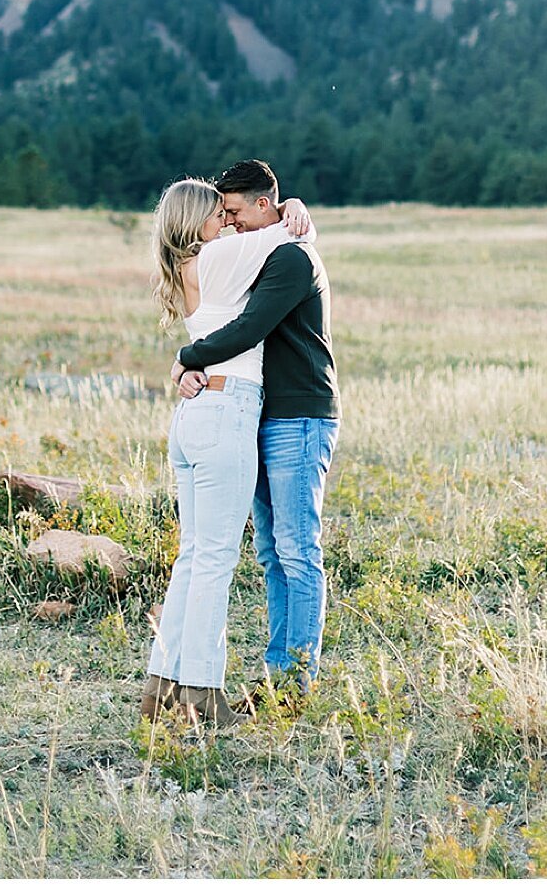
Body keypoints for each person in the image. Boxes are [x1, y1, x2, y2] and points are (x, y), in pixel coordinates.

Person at [142, 177, 316, 729]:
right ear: (200, 223)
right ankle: (202, 695)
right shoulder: (219, 257)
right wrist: (292, 204)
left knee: (193, 558)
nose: (230, 220)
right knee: (216, 560)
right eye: (221, 213)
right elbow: (288, 234)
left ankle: (162, 687)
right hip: (228, 409)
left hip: (194, 417)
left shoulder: (187, 269)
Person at [172, 158, 341, 701]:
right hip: (265, 415)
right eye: (223, 213)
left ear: (265, 205)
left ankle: (295, 683)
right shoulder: (265, 249)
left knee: (297, 549)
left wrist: (187, 357)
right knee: (271, 551)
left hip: (300, 415)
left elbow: (250, 328)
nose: (231, 221)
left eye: (237, 211)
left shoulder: (291, 257)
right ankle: (276, 673)